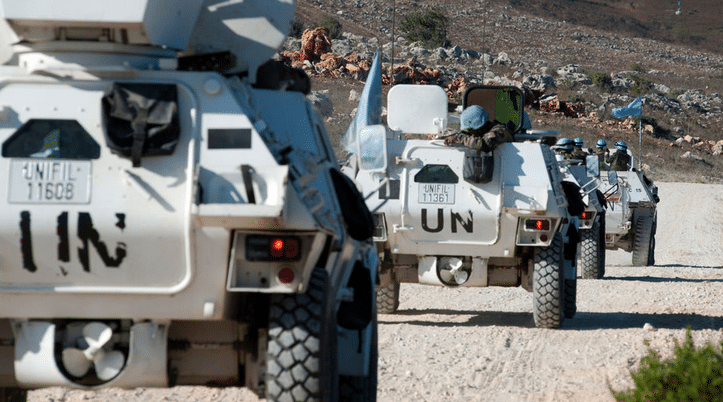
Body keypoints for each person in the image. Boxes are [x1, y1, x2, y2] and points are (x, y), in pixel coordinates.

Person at [444, 105, 513, 152]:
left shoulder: (499, 131)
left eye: (470, 130)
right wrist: (454, 136)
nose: (470, 133)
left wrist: (459, 137)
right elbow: (466, 134)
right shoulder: (483, 131)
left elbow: (484, 144)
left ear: (479, 128)